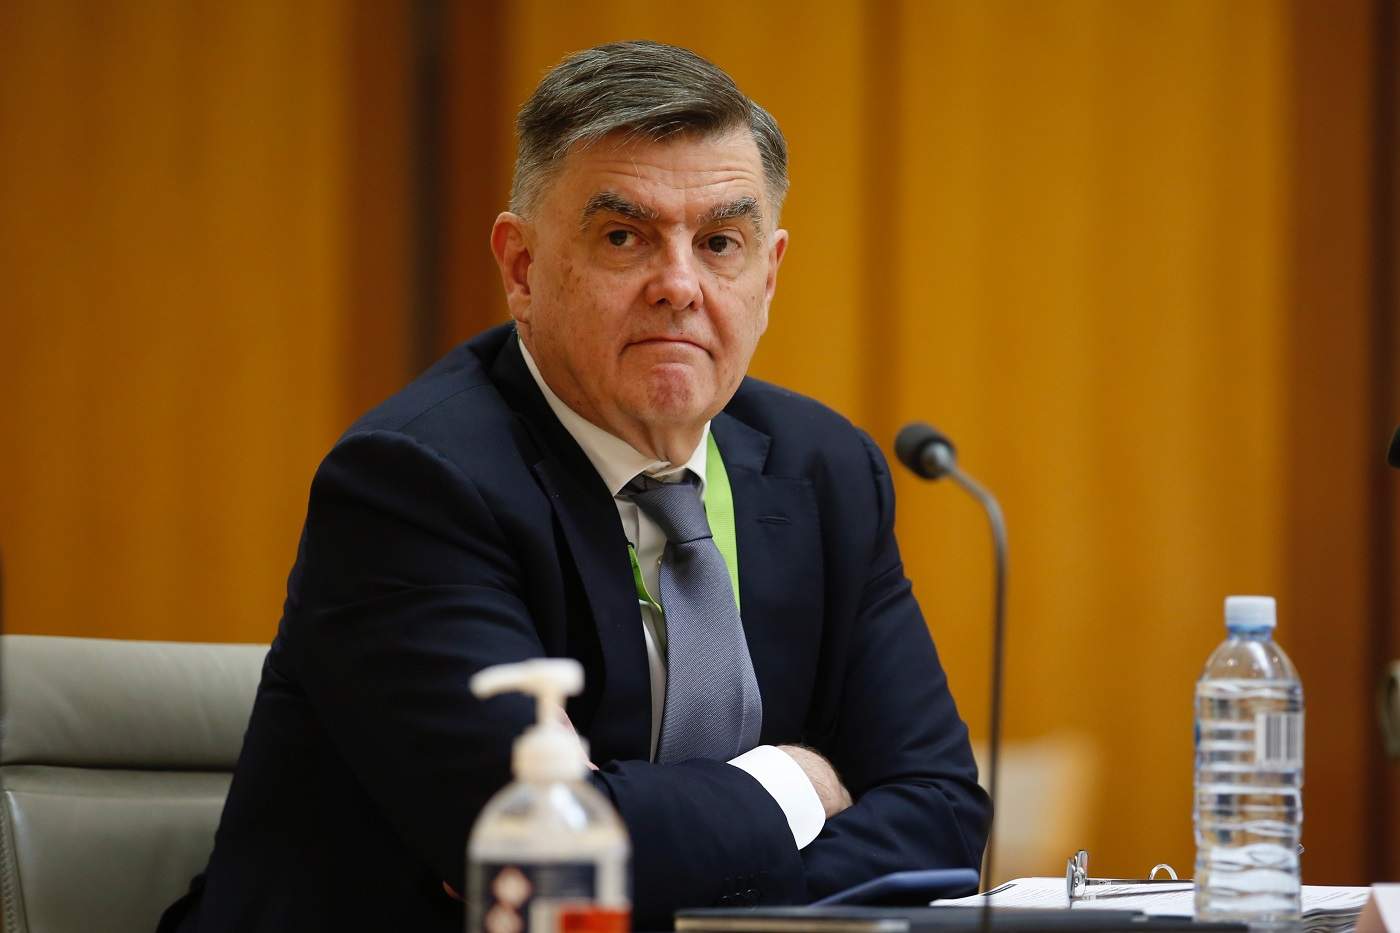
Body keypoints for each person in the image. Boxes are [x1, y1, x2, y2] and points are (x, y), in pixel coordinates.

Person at [160, 40, 989, 933]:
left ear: (769, 273)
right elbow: (533, 850)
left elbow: (940, 814)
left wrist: (672, 865)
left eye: (721, 243)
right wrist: (802, 781)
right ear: (521, 268)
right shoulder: (414, 483)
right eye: (624, 237)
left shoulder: (825, 468)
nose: (679, 285)